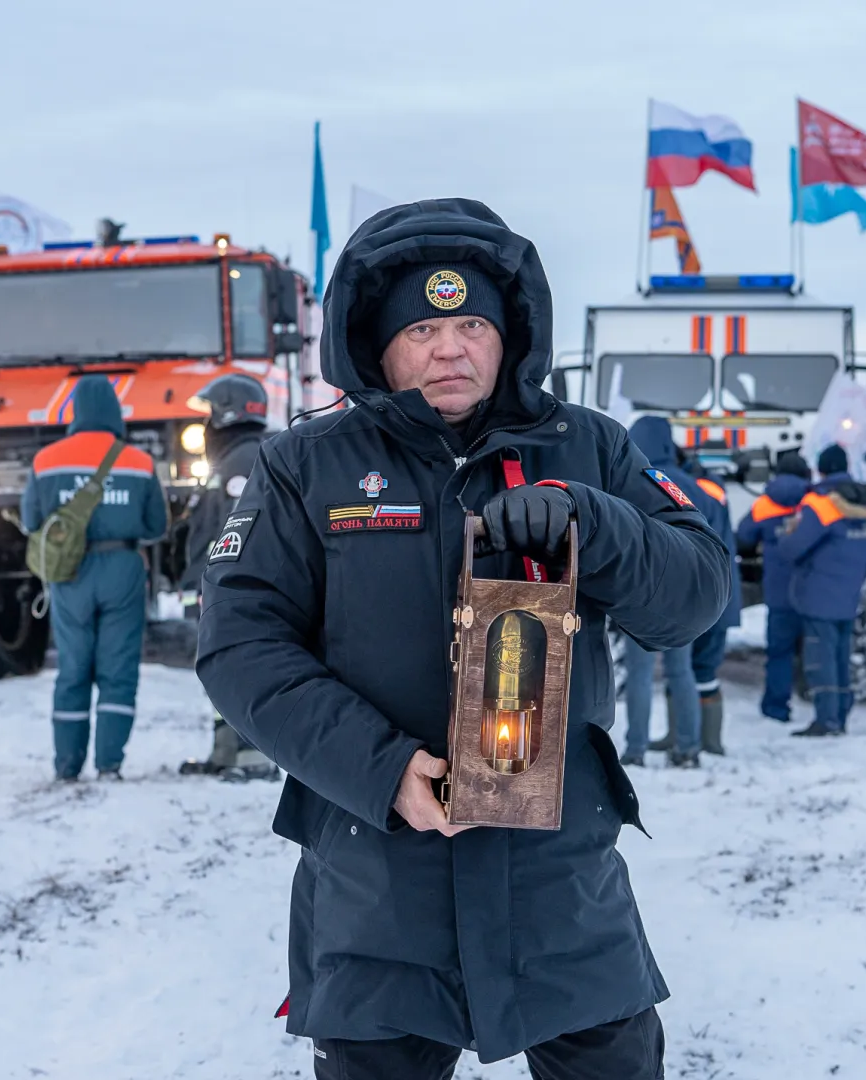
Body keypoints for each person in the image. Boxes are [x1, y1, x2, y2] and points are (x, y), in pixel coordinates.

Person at [196, 199, 733, 1079]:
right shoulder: (303, 466)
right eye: (424, 328)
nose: (451, 348)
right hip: (379, 884)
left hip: (561, 883)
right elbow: (241, 646)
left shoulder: (590, 448)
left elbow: (696, 590)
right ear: (377, 344)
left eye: (472, 322)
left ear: (508, 335)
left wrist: (592, 526)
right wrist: (379, 768)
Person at [20, 375, 167, 781]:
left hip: (70, 575)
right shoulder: (139, 462)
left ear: (74, 411)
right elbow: (156, 526)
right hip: (123, 568)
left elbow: (31, 520)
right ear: (116, 413)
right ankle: (109, 765)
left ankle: (67, 767)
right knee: (117, 669)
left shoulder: (45, 461)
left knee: (73, 669)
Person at [177, 373, 280, 782]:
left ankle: (253, 758)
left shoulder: (244, 460)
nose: (203, 426)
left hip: (232, 591)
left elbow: (237, 532)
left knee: (242, 668)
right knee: (221, 672)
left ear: (227, 414)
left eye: (208, 414)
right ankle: (226, 752)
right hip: (218, 587)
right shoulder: (237, 458)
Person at [617, 416, 713, 768]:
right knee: (680, 671)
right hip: (684, 594)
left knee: (640, 674)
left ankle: (635, 749)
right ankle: (688, 748)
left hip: (639, 593)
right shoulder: (692, 485)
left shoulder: (630, 483)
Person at [774, 445, 866, 737]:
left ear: (821, 470)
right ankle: (840, 716)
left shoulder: (821, 504)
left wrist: (784, 540)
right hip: (849, 592)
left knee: (820, 657)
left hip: (818, 592)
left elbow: (793, 547)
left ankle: (826, 719)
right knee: (840, 656)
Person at [649, 445, 738, 755]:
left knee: (697, 668)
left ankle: (703, 740)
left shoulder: (679, 487)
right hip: (717, 588)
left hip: (701, 591)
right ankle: (689, 737)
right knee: (693, 668)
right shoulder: (710, 488)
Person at [735, 449, 813, 725]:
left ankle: (776, 707)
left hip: (779, 592)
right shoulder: (816, 502)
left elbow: (743, 537)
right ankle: (817, 697)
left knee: (779, 652)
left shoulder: (765, 503)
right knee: (815, 647)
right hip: (813, 592)